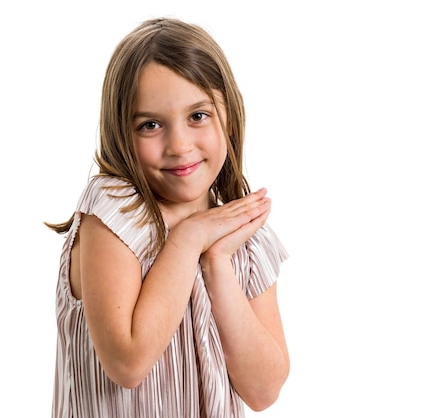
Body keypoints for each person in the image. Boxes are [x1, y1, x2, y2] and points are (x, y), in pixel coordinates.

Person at [47, 17, 290, 418]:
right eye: (151, 125)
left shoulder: (241, 236)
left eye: (198, 116)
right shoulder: (115, 213)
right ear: (121, 133)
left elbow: (264, 390)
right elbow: (127, 362)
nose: (179, 145)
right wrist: (189, 238)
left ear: (229, 116)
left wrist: (215, 262)